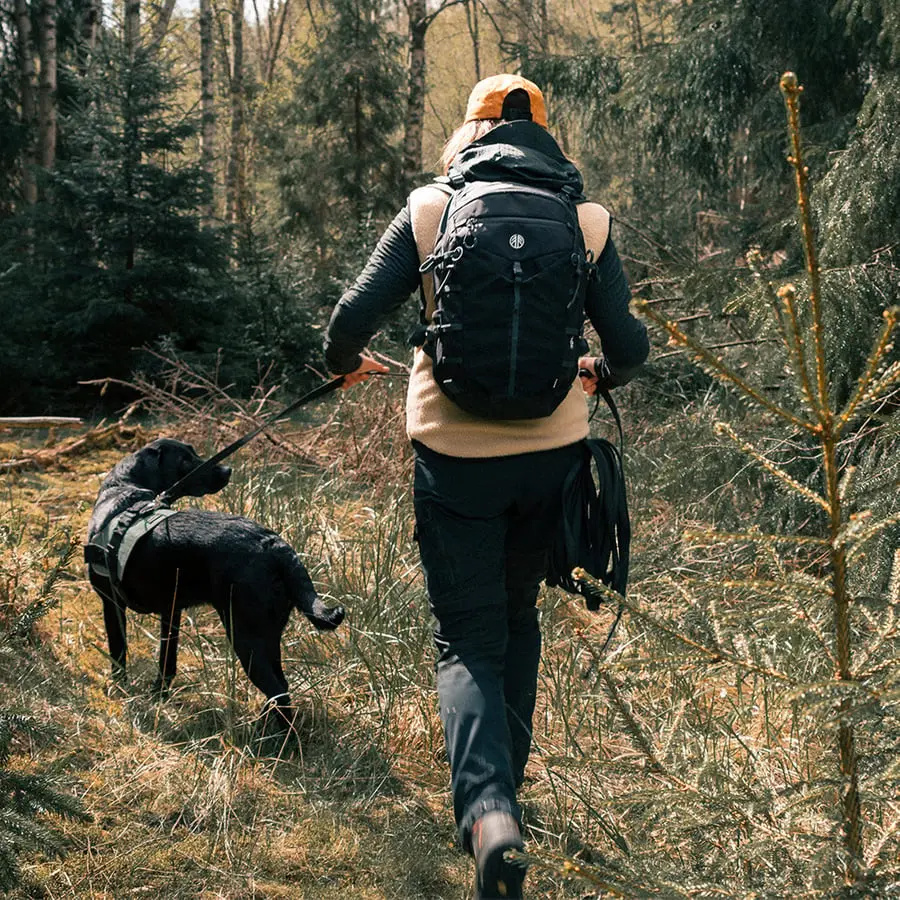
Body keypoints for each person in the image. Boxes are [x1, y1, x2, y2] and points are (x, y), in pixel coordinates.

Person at [324, 74, 649, 899]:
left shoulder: (430, 209)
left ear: (466, 133)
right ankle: (510, 796)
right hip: (552, 451)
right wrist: (595, 371)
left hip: (452, 454)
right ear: (548, 136)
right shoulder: (587, 221)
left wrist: (343, 363)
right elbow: (633, 350)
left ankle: (488, 812)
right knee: (517, 616)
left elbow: (349, 319)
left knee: (465, 635)